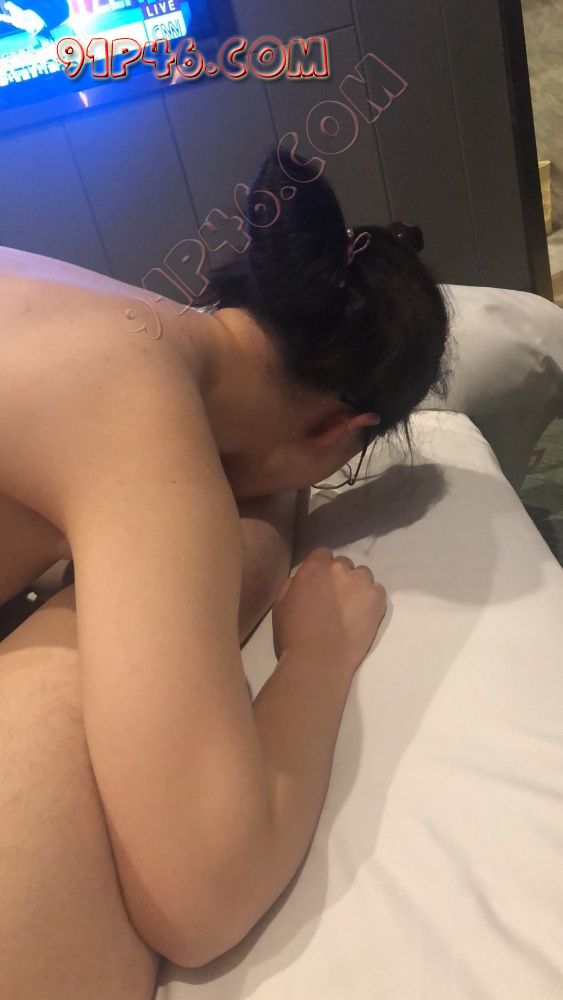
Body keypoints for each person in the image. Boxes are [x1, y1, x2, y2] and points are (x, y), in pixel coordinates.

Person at [0, 145, 453, 998]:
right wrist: (317, 658)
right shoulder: (141, 420)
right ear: (339, 430)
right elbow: (202, 901)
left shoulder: (116, 313)